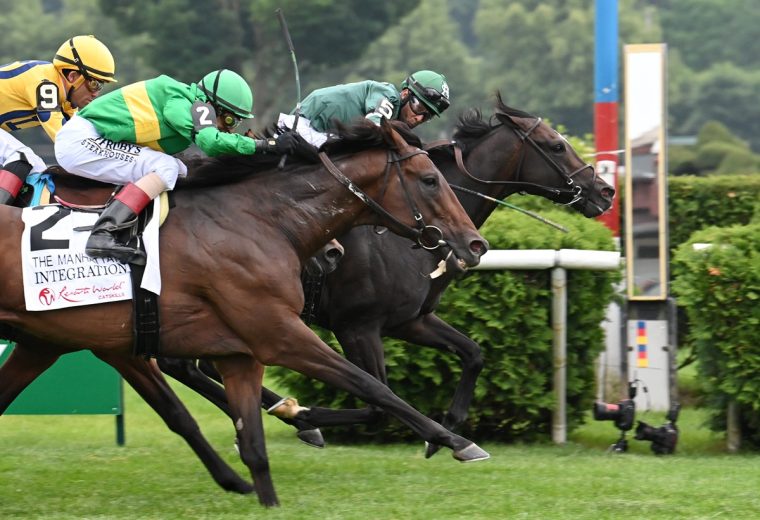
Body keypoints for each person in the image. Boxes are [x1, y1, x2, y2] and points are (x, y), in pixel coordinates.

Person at [54, 68, 297, 264]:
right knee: (166, 167)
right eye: (230, 119)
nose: (229, 128)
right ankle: (104, 232)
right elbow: (211, 143)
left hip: (88, 139)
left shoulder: (187, 100)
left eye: (237, 123)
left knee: (180, 169)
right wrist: (267, 144)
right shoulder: (189, 102)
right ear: (213, 104)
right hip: (82, 140)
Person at [0, 35, 116, 205]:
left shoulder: (66, 102)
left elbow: (81, 138)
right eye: (94, 84)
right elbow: (65, 139)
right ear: (73, 76)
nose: (96, 93)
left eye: (101, 85)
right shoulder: (45, 84)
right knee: (23, 158)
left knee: (35, 167)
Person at [279, 69, 450, 147]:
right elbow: (374, 125)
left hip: (328, 134)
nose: (419, 118)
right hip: (310, 124)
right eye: (419, 107)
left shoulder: (395, 115)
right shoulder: (388, 94)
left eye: (427, 116)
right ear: (405, 94)